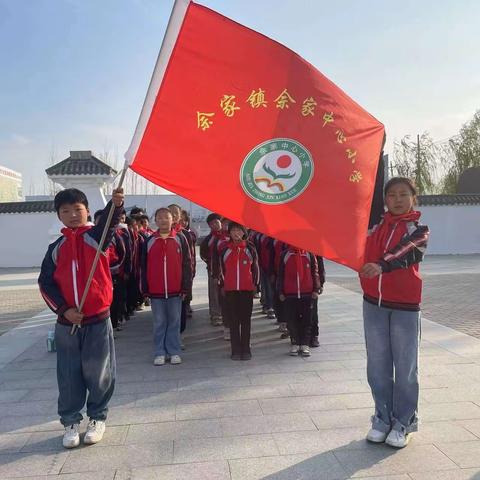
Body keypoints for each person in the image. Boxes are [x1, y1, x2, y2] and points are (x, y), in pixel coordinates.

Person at [38, 187, 125, 449]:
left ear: (87, 211)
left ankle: (97, 417)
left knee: (99, 371)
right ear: (59, 216)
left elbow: (108, 226)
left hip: (97, 319)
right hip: (68, 325)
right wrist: (64, 310)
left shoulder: (96, 238)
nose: (73, 215)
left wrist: (116, 205)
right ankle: (70, 422)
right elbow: (45, 284)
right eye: (66, 211)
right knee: (68, 374)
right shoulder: (56, 248)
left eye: (78, 209)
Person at [360, 177, 429, 449]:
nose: (397, 199)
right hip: (373, 304)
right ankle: (382, 418)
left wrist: (381, 265)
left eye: (403, 194)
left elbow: (409, 250)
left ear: (413, 198)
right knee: (377, 366)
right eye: (391, 195)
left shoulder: (419, 229)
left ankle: (404, 421)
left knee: (405, 368)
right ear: (385, 199)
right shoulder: (374, 225)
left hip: (405, 308)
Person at [141, 208, 192, 366]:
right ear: (155, 220)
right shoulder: (150, 241)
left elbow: (187, 264)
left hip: (175, 290)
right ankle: (159, 352)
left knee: (174, 322)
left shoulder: (180, 239)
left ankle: (174, 351)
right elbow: (142, 266)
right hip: (156, 291)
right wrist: (145, 288)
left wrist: (185, 287)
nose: (163, 220)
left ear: (172, 220)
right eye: (160, 218)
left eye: (166, 217)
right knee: (159, 322)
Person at [218, 222, 259, 360]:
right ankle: (235, 350)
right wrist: (222, 285)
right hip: (231, 291)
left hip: (246, 290)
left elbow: (256, 269)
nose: (236, 233)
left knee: (246, 320)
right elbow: (220, 269)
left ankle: (246, 349)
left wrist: (255, 285)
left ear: (244, 233)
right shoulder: (225, 249)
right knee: (233, 321)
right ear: (229, 233)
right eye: (233, 230)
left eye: (239, 230)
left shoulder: (250, 248)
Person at [277, 245, 321, 357]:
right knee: (292, 320)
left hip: (307, 293)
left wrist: (316, 289)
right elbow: (281, 274)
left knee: (307, 320)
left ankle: (305, 344)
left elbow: (315, 272)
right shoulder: (285, 255)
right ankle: (294, 342)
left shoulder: (309, 254)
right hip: (290, 293)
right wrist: (281, 291)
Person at [94, 210, 126, 333]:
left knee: (113, 300)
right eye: (100, 221)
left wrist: (115, 268)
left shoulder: (115, 236)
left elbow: (122, 253)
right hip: (97, 276)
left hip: (113, 273)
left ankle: (113, 324)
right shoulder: (89, 236)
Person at [200, 213, 227, 326]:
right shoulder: (208, 239)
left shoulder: (228, 236)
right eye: (212, 224)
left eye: (216, 222)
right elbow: (203, 255)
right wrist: (211, 264)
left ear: (220, 222)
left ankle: (226, 314)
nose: (215, 225)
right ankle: (215, 315)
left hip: (228, 271)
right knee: (214, 293)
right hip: (213, 271)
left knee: (226, 293)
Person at [310, 255, 326, 347]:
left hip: (312, 287)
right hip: (296, 287)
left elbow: (320, 266)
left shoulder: (314, 248)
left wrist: (321, 284)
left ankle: (314, 336)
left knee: (313, 312)